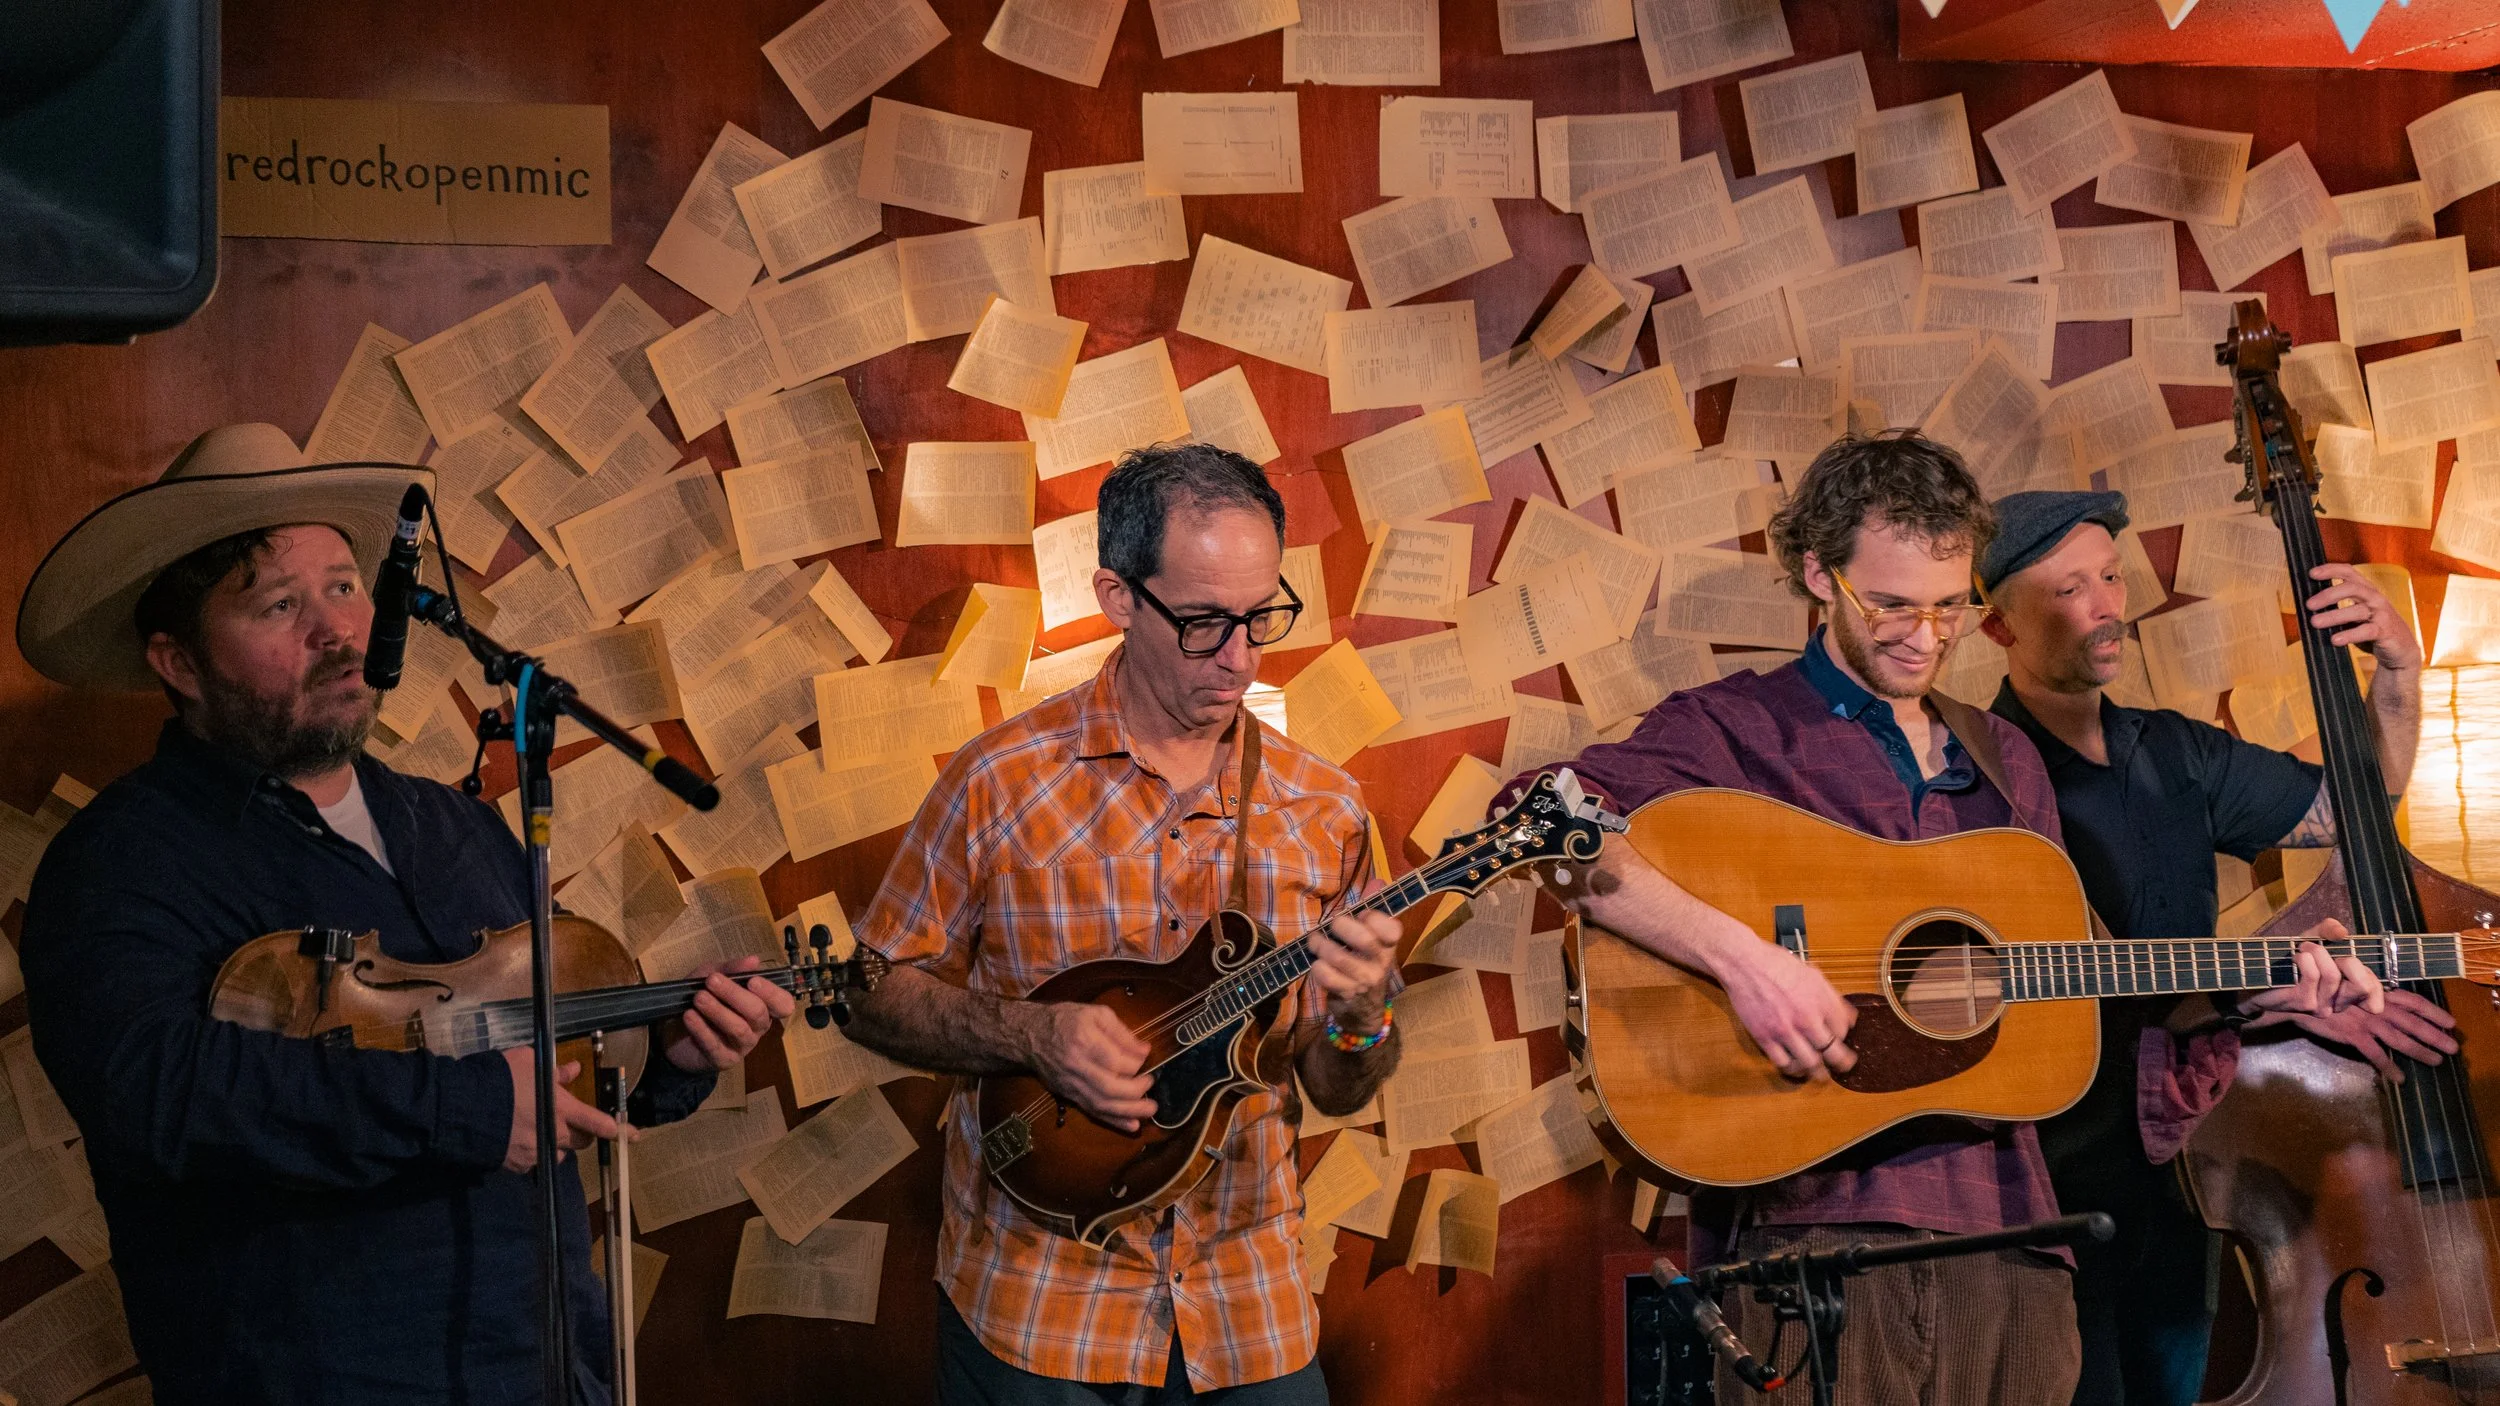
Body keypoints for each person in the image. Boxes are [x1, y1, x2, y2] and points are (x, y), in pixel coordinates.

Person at [1510, 434, 2375, 1405]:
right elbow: (1536, 822)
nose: (1923, 635)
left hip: (2013, 1248)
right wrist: (1743, 958)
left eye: (1949, 603)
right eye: (1889, 602)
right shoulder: (1735, 728)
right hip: (1815, 1249)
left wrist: (2261, 975)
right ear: (1815, 573)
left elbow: (2073, 985)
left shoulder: (2000, 756)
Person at [12, 424, 794, 1406]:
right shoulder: (118, 862)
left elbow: (545, 1073)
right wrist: (464, 1109)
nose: (337, 630)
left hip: (545, 1364)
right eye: (279, 603)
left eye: (343, 585)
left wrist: (671, 1051)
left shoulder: (452, 827)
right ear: (178, 660)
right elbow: (157, 1093)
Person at [841, 442, 1402, 1405]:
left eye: (1262, 617)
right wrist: (1028, 1033)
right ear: (1117, 597)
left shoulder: (1329, 810)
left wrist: (1360, 1015)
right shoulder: (1000, 782)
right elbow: (866, 993)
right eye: (1202, 622)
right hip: (1037, 1309)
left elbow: (1339, 1083)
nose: (1240, 657)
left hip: (1247, 1314)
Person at [1977, 489, 2442, 1406]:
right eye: (2072, 589)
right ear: (1998, 627)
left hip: (2180, 1165)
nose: (2109, 606)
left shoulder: (2178, 753)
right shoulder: (1967, 769)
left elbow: (2356, 801)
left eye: (2112, 577)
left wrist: (2398, 670)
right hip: (2030, 1181)